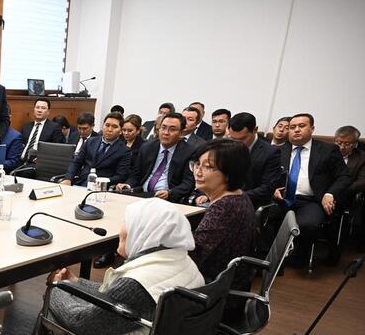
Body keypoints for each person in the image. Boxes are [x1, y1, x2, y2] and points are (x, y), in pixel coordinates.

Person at [46, 199, 204, 335]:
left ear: (144, 231)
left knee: (53, 309)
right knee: (70, 296)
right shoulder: (182, 261)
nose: (121, 229)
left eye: (128, 223)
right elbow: (113, 297)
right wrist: (75, 282)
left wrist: (56, 288)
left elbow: (80, 322)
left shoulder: (137, 282)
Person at [269, 113, 351, 264]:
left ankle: (298, 256)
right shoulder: (277, 150)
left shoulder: (327, 150)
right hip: (282, 199)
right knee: (263, 217)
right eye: (292, 127)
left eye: (301, 126)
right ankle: (270, 257)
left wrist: (330, 194)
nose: (296, 130)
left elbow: (344, 176)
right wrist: (272, 189)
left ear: (312, 129)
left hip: (312, 201)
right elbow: (268, 176)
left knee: (307, 225)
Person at [189, 140, 255, 312]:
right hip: (223, 284)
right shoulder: (238, 197)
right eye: (197, 164)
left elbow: (194, 255)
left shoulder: (225, 207)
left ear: (229, 174)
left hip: (216, 294)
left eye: (208, 167)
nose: (198, 171)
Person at [120, 112, 197, 202]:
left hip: (168, 199)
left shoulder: (189, 152)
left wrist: (170, 193)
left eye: (172, 129)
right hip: (142, 195)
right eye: (163, 128)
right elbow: (136, 175)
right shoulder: (147, 147)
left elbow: (188, 183)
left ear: (181, 133)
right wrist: (127, 185)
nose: (166, 133)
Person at [223, 112, 282, 207]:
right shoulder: (227, 146)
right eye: (233, 139)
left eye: (242, 139)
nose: (237, 143)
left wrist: (237, 196)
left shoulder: (271, 153)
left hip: (251, 203)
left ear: (255, 130)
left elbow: (268, 188)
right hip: (224, 199)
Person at [62, 112, 130, 187]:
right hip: (81, 182)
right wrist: (68, 178)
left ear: (121, 131)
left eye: (114, 127)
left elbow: (121, 176)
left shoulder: (124, 151)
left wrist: (102, 181)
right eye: (107, 125)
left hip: (103, 187)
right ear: (102, 126)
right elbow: (76, 162)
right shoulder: (90, 141)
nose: (109, 129)